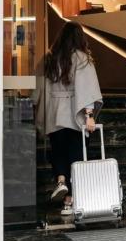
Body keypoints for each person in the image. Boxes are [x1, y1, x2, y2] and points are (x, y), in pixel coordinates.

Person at [37, 22, 103, 216]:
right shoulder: (82, 59)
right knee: (76, 155)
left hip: (54, 112)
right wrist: (89, 116)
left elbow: (39, 87)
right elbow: (87, 89)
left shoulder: (50, 58)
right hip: (75, 114)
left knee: (58, 150)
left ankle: (61, 180)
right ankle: (70, 200)